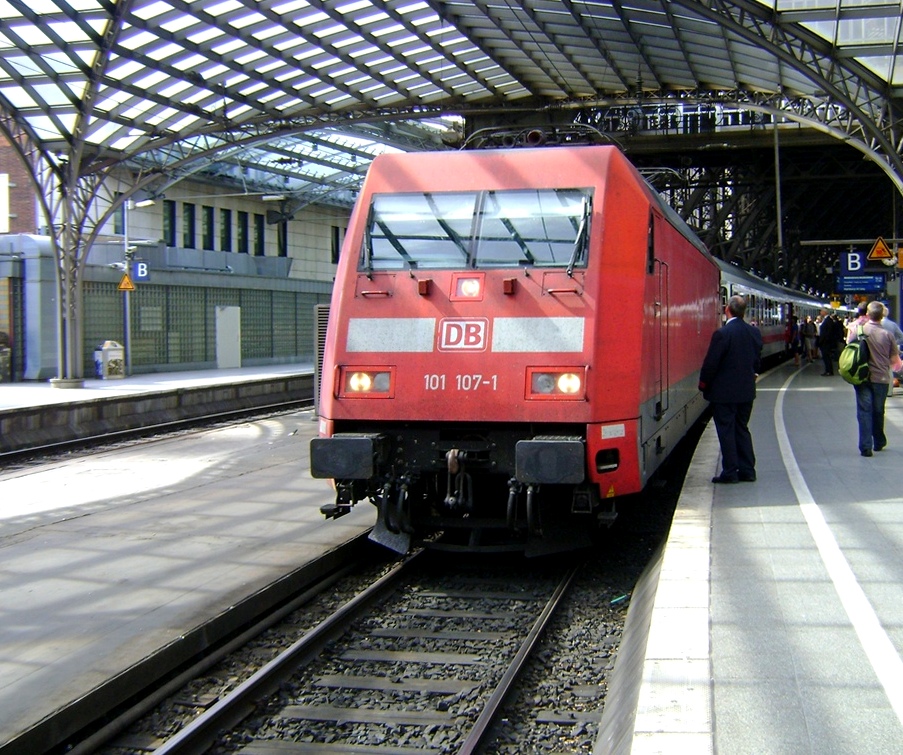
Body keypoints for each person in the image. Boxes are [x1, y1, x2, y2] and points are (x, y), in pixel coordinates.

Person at [699, 295, 764, 483]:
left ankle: (730, 472)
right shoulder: (754, 333)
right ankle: (748, 470)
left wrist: (704, 384)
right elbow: (756, 361)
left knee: (726, 431)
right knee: (742, 428)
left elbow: (711, 364)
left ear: (727, 309)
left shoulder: (723, 334)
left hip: (724, 394)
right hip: (746, 392)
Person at [846, 300, 902, 457]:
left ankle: (865, 447)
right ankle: (879, 442)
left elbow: (849, 350)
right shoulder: (887, 335)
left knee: (864, 411)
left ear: (868, 314)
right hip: (881, 378)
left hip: (861, 377)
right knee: (878, 411)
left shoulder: (859, 330)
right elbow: (895, 362)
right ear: (881, 315)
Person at [817, 311, 842, 375]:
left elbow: (827, 332)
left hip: (826, 343)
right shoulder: (827, 320)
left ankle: (829, 371)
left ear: (824, 312)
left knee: (826, 357)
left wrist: (822, 341)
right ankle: (828, 370)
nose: (820, 312)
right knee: (826, 357)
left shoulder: (828, 321)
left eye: (821, 311)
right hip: (826, 342)